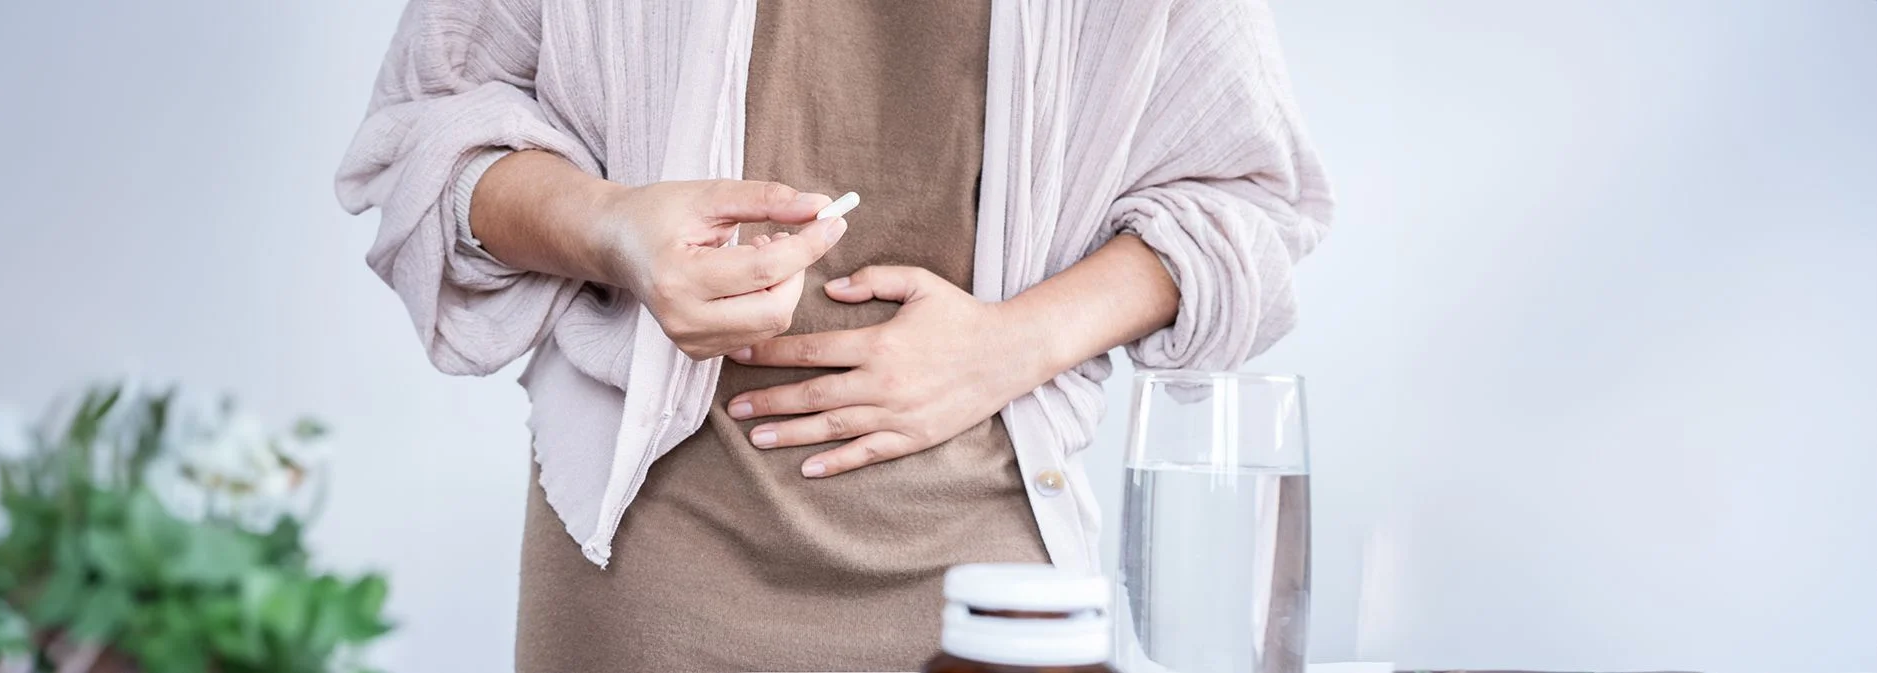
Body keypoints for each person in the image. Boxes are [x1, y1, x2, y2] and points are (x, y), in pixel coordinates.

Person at [336, 0, 1332, 670]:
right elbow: (431, 129)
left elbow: (1250, 203)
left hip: (988, 586)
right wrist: (610, 229)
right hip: (645, 577)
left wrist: (1011, 344)